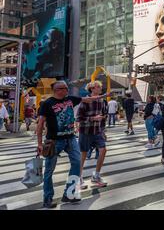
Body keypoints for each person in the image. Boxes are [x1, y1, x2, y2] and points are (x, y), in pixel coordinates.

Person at [36, 80, 110, 208]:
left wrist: (104, 96)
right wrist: (39, 143)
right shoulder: (47, 104)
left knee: (76, 164)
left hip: (70, 138)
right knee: (49, 171)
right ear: (57, 90)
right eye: (64, 88)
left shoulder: (70, 99)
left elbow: (88, 99)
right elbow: (40, 124)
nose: (67, 90)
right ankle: (47, 198)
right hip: (54, 141)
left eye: (66, 87)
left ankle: (69, 194)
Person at [77, 81, 108, 189]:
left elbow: (104, 115)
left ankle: (96, 175)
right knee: (83, 155)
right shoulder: (85, 101)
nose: (100, 88)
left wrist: (103, 130)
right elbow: (78, 118)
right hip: (85, 131)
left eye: (100, 86)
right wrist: (92, 118)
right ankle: (79, 177)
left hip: (97, 131)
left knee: (103, 150)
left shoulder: (102, 101)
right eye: (98, 87)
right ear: (92, 89)